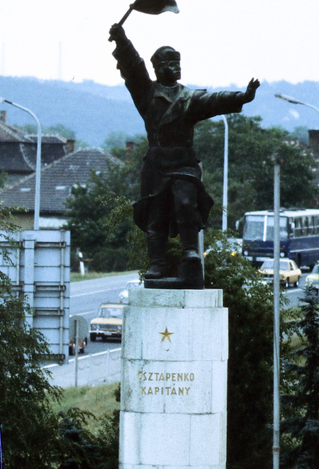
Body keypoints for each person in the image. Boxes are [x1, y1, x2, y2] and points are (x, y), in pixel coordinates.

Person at [108, 22, 259, 286]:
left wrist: (243, 97)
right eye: (169, 62)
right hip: (156, 165)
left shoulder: (189, 98)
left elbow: (215, 100)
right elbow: (133, 67)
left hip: (184, 164)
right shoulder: (146, 93)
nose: (176, 67)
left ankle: (191, 251)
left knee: (186, 202)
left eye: (178, 62)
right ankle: (157, 264)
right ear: (157, 68)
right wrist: (121, 40)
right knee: (156, 216)